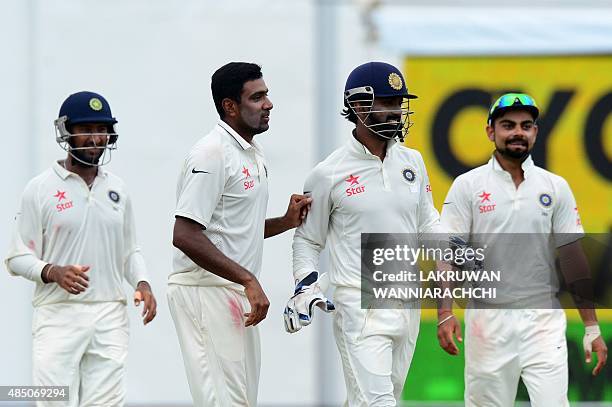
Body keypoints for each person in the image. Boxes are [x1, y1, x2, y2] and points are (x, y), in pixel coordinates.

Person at [285, 61, 441, 406]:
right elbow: (308, 240)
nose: (397, 112)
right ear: (358, 106)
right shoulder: (328, 174)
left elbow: (428, 221)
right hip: (358, 303)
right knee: (379, 402)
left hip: (407, 300)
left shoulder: (412, 162)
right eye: (388, 103)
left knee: (374, 399)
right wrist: (304, 285)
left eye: (399, 103)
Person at [437, 93, 608, 406]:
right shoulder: (468, 185)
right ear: (491, 131)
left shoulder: (554, 186)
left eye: (526, 125)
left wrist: (591, 326)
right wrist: (445, 313)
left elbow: (573, 258)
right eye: (508, 125)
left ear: (535, 132)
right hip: (487, 321)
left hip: (542, 320)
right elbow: (448, 254)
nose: (518, 132)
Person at [169, 62, 311, 407]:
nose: (268, 104)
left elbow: (232, 231)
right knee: (223, 402)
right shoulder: (211, 152)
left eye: (267, 94)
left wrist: (285, 221)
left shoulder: (249, 153)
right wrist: (248, 279)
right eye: (257, 97)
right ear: (230, 106)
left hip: (232, 293)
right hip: (205, 293)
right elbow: (185, 234)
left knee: (241, 401)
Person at [5, 91, 157, 407]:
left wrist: (142, 282)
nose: (95, 138)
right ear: (67, 132)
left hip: (109, 313)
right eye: (86, 129)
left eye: (102, 130)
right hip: (58, 314)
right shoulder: (40, 188)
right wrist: (52, 271)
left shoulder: (117, 189)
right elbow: (17, 257)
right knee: (52, 400)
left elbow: (130, 251)